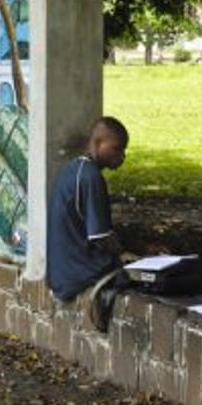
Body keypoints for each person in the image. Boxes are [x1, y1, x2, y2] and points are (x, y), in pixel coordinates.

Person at [46, 116, 131, 302]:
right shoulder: (91, 176)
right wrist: (124, 254)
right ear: (98, 143)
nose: (121, 156)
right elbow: (100, 238)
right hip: (79, 273)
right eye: (116, 149)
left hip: (61, 272)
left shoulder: (72, 168)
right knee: (139, 278)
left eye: (124, 151)